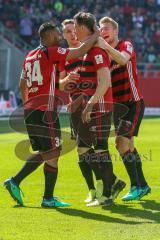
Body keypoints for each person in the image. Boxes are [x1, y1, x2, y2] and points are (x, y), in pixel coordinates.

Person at [4, 22, 100, 208]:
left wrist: (28, 104)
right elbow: (80, 51)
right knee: (53, 151)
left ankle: (46, 197)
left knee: (49, 152)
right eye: (57, 33)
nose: (60, 37)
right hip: (45, 111)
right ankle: (21, 183)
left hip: (31, 111)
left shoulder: (30, 56)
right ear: (48, 36)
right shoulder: (52, 51)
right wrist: (95, 34)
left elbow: (22, 85)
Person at [71, 12, 124, 207]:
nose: (74, 31)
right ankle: (114, 182)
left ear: (83, 28)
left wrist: (91, 104)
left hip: (99, 107)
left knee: (101, 150)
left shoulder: (97, 51)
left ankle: (108, 194)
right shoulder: (88, 50)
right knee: (83, 149)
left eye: (75, 27)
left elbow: (105, 81)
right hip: (90, 106)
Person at [99, 16, 151, 201]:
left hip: (132, 102)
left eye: (106, 28)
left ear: (115, 31)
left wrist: (104, 47)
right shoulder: (104, 54)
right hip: (118, 107)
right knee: (126, 145)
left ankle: (137, 186)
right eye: (100, 28)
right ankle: (142, 185)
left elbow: (122, 60)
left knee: (122, 143)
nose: (103, 31)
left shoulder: (125, 45)